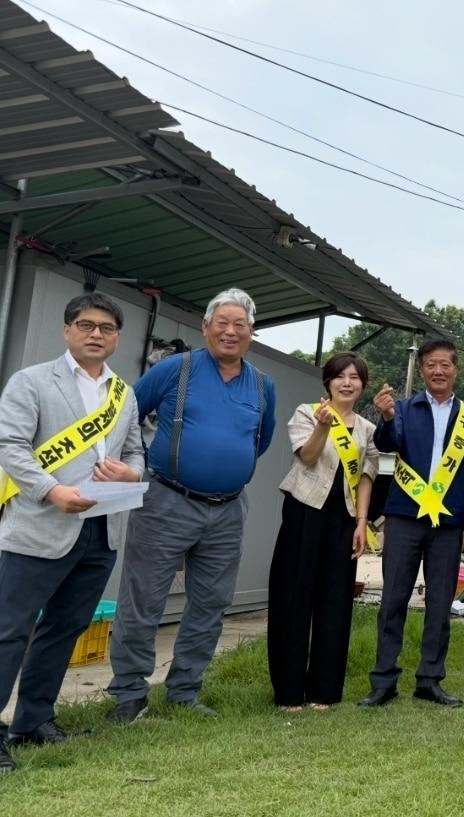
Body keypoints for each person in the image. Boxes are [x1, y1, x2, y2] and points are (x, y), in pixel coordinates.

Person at [107, 288, 276, 723]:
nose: (230, 331)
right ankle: (129, 694)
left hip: (228, 509)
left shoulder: (262, 385)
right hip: (165, 499)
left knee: (210, 604)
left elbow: (262, 440)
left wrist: (223, 469)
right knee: (142, 600)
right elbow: (124, 416)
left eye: (240, 324)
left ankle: (184, 690)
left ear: (251, 333)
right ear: (205, 327)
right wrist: (136, 466)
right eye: (222, 322)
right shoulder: (173, 370)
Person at [0, 294, 144, 773]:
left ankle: (34, 720)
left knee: (64, 627)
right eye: (86, 325)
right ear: (67, 330)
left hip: (101, 530)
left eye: (106, 327)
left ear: (117, 337)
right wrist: (49, 491)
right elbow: (11, 445)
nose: (96, 334)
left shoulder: (124, 393)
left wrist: (128, 473)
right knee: (8, 631)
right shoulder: (33, 381)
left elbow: (136, 452)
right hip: (41, 526)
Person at [360, 339, 464, 710]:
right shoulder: (402, 408)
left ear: (456, 369)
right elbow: (388, 444)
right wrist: (385, 417)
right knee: (393, 599)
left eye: (445, 364)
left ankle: (430, 680)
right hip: (404, 514)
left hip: (449, 521)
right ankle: (383, 680)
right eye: (431, 365)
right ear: (422, 371)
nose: (438, 371)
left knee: (439, 602)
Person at [267, 352, 378, 711]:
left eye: (355, 377)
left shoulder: (366, 429)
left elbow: (365, 478)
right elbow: (308, 456)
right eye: (340, 376)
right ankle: (288, 692)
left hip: (344, 520)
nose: (347, 383)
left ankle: (324, 691)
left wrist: (362, 523)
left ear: (363, 384)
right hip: (304, 512)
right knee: (293, 597)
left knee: (335, 603)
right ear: (327, 382)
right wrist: (322, 426)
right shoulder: (306, 412)